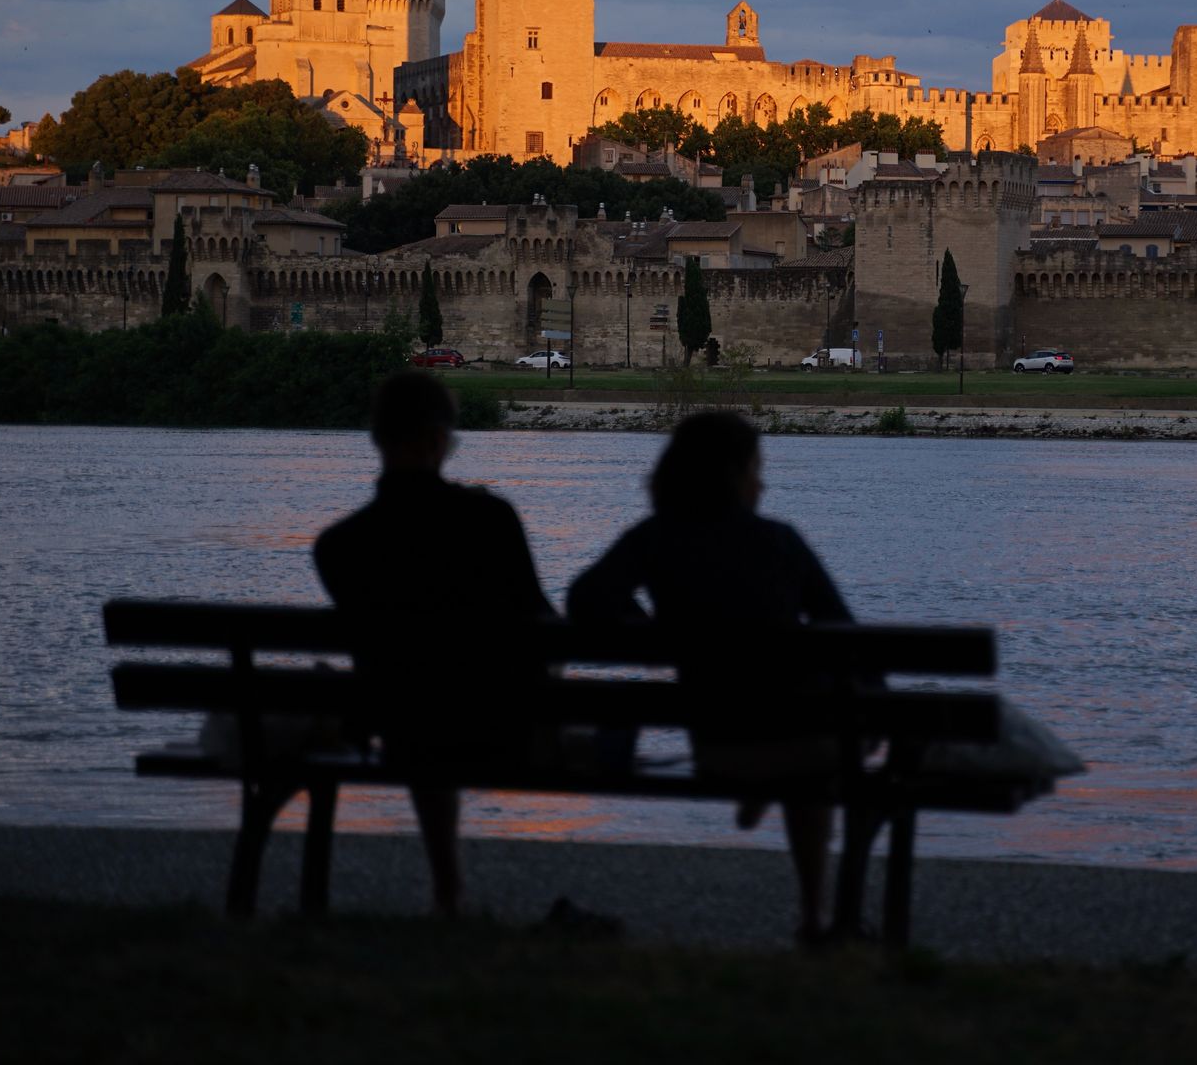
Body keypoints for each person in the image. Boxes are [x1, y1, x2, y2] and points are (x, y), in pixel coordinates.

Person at [567, 411, 855, 943]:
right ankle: (816, 915)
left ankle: (765, 786)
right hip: (797, 738)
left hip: (715, 740)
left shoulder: (654, 539)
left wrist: (653, 634)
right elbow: (845, 638)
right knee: (819, 743)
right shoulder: (780, 541)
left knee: (796, 736)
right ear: (738, 476)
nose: (762, 481)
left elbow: (585, 598)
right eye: (756, 468)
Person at [313, 370, 554, 917]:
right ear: (439, 440)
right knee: (449, 694)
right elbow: (542, 623)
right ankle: (449, 890)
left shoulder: (339, 547)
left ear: (377, 438)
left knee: (417, 698)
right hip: (502, 729)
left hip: (398, 729)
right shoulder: (490, 519)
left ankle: (448, 887)